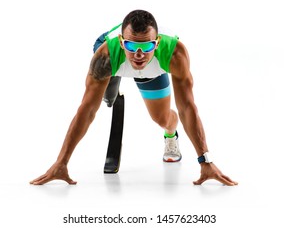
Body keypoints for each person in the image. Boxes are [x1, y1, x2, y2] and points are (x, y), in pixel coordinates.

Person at [30, 10, 238, 186]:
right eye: (131, 46)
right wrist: (62, 162)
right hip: (115, 61)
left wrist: (205, 160)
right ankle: (112, 86)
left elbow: (187, 108)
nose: (139, 54)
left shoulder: (175, 54)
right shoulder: (106, 56)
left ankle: (170, 135)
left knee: (162, 118)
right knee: (102, 98)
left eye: (146, 47)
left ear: (156, 43)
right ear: (122, 42)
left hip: (150, 71)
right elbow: (87, 110)